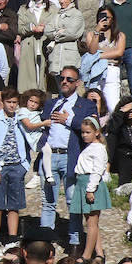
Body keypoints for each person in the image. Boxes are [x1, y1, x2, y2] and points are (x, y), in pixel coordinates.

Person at [39, 67, 97, 252]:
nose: (64, 82)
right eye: (62, 78)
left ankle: (74, 242)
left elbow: (90, 126)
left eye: (69, 79)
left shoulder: (86, 105)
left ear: (77, 83)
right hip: (50, 157)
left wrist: (68, 119)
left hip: (70, 157)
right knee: (48, 201)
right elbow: (41, 124)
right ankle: (45, 242)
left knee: (73, 201)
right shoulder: (51, 103)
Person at [0, 87, 30, 258]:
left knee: (14, 205)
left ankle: (12, 239)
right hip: (0, 166)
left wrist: (25, 165)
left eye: (14, 103)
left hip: (17, 165)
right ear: (2, 102)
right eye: (9, 102)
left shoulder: (20, 119)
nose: (12, 106)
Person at [70, 117, 110, 262]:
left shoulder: (98, 148)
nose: (84, 135)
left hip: (90, 184)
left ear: (97, 132)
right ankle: (99, 253)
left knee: (92, 223)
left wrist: (90, 189)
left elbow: (98, 170)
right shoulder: (89, 147)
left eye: (88, 132)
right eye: (83, 133)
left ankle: (86, 255)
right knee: (91, 221)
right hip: (82, 182)